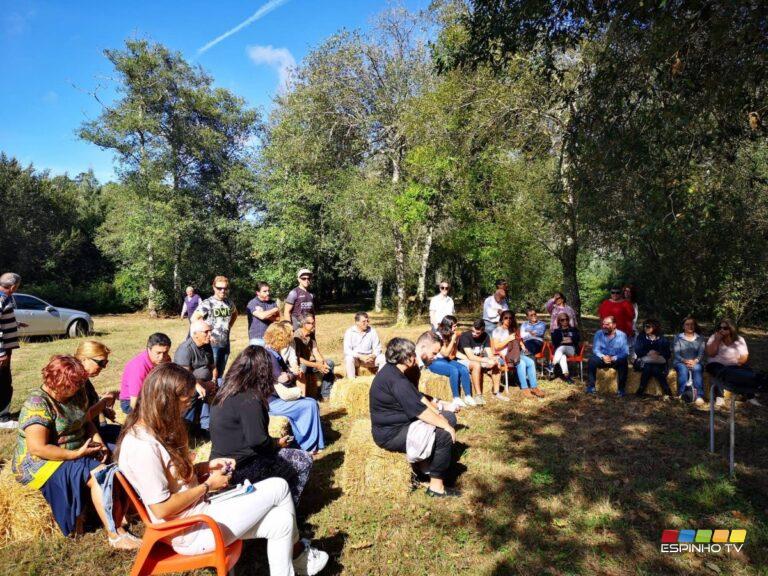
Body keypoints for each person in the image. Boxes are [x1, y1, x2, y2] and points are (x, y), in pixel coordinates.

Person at [116, 363, 329, 575]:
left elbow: (173, 479)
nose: (188, 407)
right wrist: (207, 486)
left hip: (198, 514)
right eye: (186, 401)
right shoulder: (141, 446)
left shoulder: (154, 431)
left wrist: (204, 467)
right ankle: (300, 556)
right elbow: (162, 509)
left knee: (281, 522)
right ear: (166, 400)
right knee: (279, 486)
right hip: (189, 530)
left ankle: (297, 563)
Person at [13, 355, 138, 548]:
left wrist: (99, 443)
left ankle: (125, 512)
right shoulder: (37, 404)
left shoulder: (77, 393)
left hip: (79, 448)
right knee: (99, 475)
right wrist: (75, 455)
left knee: (118, 459)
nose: (78, 389)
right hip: (42, 462)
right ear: (57, 382)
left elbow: (85, 421)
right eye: (73, 385)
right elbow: (38, 448)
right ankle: (115, 534)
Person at [210, 346, 314, 506]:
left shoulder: (225, 392)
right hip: (240, 469)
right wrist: (277, 443)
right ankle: (288, 509)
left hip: (220, 464)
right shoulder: (250, 399)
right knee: (304, 459)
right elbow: (257, 441)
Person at [369, 337, 460, 498]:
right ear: (405, 357)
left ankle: (428, 466)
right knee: (443, 433)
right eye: (412, 354)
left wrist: (441, 414)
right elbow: (420, 411)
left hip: (402, 424)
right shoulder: (397, 380)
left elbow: (417, 397)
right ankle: (436, 487)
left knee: (448, 417)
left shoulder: (394, 372)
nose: (415, 357)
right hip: (392, 434)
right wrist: (445, 426)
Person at [264, 322, 325, 453]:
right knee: (310, 404)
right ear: (280, 338)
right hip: (273, 402)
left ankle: (313, 444)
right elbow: (283, 380)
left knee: (310, 402)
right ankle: (307, 445)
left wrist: (289, 374)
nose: (292, 337)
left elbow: (286, 375)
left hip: (276, 398)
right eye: (288, 335)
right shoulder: (271, 357)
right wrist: (291, 375)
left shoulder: (273, 354)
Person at [73, 340, 121, 450]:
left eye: (105, 363)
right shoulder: (74, 383)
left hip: (96, 430)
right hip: (83, 439)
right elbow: (84, 417)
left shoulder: (84, 379)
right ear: (84, 359)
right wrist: (103, 403)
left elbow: (90, 404)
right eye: (101, 363)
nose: (103, 367)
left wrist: (103, 410)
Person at [705, 319, 763, 407]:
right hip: (715, 364)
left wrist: (737, 363)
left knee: (747, 371)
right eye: (719, 328)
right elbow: (711, 353)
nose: (721, 330)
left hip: (734, 365)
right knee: (721, 371)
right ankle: (719, 396)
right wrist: (717, 340)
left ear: (731, 329)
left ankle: (750, 396)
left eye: (725, 328)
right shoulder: (714, 337)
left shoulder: (739, 339)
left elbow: (744, 356)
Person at [174, 321, 217, 434]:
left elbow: (213, 367)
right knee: (195, 392)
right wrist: (201, 384)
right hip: (189, 383)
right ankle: (188, 427)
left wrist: (214, 381)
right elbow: (184, 375)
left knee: (226, 385)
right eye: (206, 332)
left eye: (210, 331)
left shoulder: (207, 346)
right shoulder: (185, 349)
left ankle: (209, 425)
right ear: (195, 334)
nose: (210, 335)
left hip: (207, 381)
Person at [193, 276, 238, 380]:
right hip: (211, 345)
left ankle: (217, 393)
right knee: (210, 373)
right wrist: (205, 333)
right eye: (219, 288)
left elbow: (235, 314)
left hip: (225, 343)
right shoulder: (207, 303)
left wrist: (229, 326)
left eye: (225, 288)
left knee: (220, 373)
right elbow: (194, 319)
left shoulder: (229, 303)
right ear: (214, 287)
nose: (223, 291)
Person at [492, 311, 545, 398]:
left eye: (510, 318)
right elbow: (497, 347)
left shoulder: (513, 330)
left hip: (515, 354)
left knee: (531, 362)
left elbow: (519, 341)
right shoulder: (497, 330)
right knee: (521, 363)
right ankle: (525, 388)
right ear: (502, 319)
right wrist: (508, 339)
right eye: (506, 318)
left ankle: (534, 387)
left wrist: (523, 346)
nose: (508, 320)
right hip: (503, 356)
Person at [429, 316, 477, 408]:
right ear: (447, 326)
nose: (456, 328)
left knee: (463, 368)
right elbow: (446, 353)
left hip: (446, 360)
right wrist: (454, 339)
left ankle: (468, 396)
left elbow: (454, 354)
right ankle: (456, 398)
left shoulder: (450, 334)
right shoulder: (437, 336)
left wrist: (469, 358)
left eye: (456, 325)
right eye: (454, 326)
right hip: (434, 361)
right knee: (453, 370)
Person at [119, 333, 171, 414]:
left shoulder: (165, 358)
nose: (162, 357)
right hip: (132, 401)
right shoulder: (138, 367)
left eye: (165, 352)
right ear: (148, 349)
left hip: (152, 394)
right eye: (158, 353)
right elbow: (134, 401)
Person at [457, 319, 507, 402]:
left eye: (477, 333)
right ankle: (478, 395)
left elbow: (489, 353)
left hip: (479, 359)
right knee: (477, 365)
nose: (474, 334)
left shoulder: (486, 336)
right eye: (473, 331)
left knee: (496, 363)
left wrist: (493, 359)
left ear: (483, 330)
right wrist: (486, 360)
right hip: (466, 360)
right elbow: (470, 357)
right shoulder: (465, 336)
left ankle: (496, 392)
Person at [0, 272, 24, 429]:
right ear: (14, 286)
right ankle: (3, 419)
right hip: (2, 351)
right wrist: (1, 352)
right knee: (3, 382)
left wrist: (16, 324)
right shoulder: (1, 298)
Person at [293, 313, 335, 401]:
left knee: (330, 363)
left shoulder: (311, 334)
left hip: (309, 364)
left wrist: (322, 363)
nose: (312, 325)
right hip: (298, 365)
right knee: (302, 367)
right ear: (303, 324)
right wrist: (317, 365)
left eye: (313, 323)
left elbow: (315, 351)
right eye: (310, 323)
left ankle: (325, 394)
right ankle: (301, 397)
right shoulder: (296, 337)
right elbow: (298, 359)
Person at [587, 316, 630, 396]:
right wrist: (603, 356)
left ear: (614, 325)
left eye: (607, 324)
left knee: (624, 361)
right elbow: (596, 349)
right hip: (602, 358)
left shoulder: (622, 335)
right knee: (592, 360)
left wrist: (614, 358)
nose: (604, 326)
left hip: (615, 359)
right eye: (603, 324)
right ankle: (591, 387)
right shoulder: (599, 333)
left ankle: (621, 389)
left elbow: (625, 352)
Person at [633, 319, 673, 398]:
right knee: (651, 367)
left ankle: (641, 389)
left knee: (652, 367)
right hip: (643, 362)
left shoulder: (662, 339)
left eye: (648, 326)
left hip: (658, 362)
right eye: (644, 326)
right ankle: (666, 389)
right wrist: (648, 353)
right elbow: (638, 351)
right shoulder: (641, 337)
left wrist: (658, 353)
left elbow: (668, 353)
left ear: (655, 327)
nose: (645, 328)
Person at [673, 317, 707, 406]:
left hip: (696, 362)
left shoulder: (700, 338)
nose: (690, 326)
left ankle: (699, 396)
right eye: (687, 324)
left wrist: (695, 361)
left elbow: (701, 354)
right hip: (680, 361)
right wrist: (684, 360)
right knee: (683, 370)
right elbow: (676, 353)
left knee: (697, 368)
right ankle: (682, 394)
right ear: (683, 326)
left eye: (692, 324)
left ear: (695, 326)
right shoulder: (678, 337)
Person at [343, 312, 385, 377]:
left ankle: (379, 379)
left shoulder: (372, 331)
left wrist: (373, 355)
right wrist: (360, 356)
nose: (367, 323)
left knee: (383, 358)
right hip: (357, 359)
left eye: (367, 321)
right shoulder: (349, 332)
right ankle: (351, 381)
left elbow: (378, 348)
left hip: (370, 359)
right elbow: (347, 350)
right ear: (357, 322)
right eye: (364, 321)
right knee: (349, 358)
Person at [247, 282, 281, 347]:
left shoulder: (272, 303)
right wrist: (275, 310)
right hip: (257, 339)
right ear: (258, 293)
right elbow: (262, 316)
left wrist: (265, 314)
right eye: (265, 291)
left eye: (268, 291)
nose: (268, 293)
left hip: (272, 339)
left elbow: (278, 319)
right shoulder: (252, 303)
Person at [550, 313, 581, 384]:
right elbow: (555, 342)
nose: (565, 321)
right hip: (560, 351)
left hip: (571, 349)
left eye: (566, 319)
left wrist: (569, 340)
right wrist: (565, 340)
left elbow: (577, 339)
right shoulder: (556, 331)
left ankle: (552, 365)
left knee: (562, 347)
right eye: (562, 320)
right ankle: (567, 376)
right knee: (562, 357)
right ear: (559, 321)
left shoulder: (573, 329)